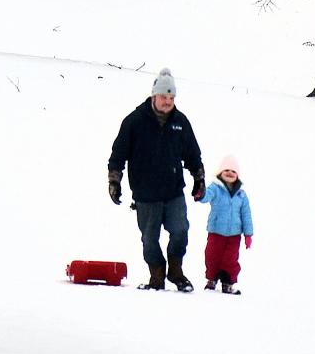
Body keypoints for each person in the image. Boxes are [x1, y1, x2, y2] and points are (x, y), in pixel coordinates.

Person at [107, 67, 205, 291]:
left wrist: (198, 179)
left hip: (173, 192)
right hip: (146, 193)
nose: (168, 101)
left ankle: (176, 271)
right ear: (154, 95)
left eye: (171, 97)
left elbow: (192, 154)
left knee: (180, 231)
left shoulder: (181, 122)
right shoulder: (134, 121)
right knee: (149, 239)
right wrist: (114, 181)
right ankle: (157, 276)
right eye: (164, 96)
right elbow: (118, 154)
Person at [198, 154, 254, 294]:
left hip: (234, 234)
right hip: (216, 231)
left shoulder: (241, 194)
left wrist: (248, 234)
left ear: (237, 175)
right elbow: (207, 196)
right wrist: (201, 194)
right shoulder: (215, 188)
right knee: (212, 256)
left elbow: (246, 215)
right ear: (220, 173)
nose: (230, 173)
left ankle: (228, 282)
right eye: (226, 170)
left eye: (233, 171)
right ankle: (211, 279)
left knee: (231, 259)